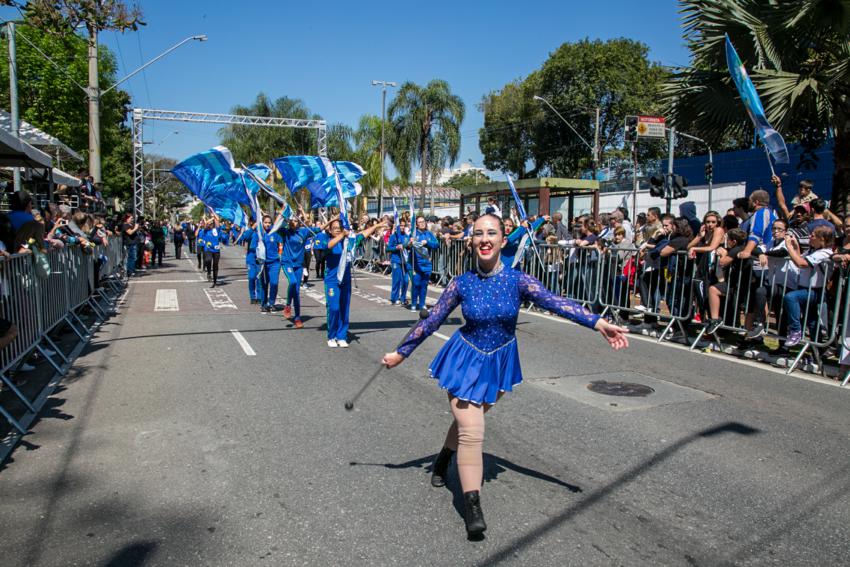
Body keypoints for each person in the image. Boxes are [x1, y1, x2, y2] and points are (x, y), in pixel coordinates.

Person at [381, 214, 628, 537]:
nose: (484, 239)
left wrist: (598, 323)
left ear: (502, 239)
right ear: (471, 241)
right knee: (473, 431)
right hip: (464, 361)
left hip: (498, 362)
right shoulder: (462, 283)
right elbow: (432, 321)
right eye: (478, 233)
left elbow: (556, 302)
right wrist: (402, 352)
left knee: (467, 423)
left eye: (491, 233)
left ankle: (443, 458)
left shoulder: (518, 280)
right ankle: (472, 505)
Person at [315, 217, 387, 347]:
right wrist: (342, 234)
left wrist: (377, 226)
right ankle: (332, 335)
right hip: (332, 280)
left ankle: (341, 336)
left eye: (339, 228)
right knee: (334, 308)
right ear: (330, 231)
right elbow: (328, 246)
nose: (337, 230)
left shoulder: (349, 241)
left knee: (344, 309)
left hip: (346, 280)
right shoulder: (328, 240)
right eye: (335, 229)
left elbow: (363, 234)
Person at [280, 209, 315, 329]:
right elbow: (278, 224)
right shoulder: (285, 232)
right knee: (293, 282)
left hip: (298, 264)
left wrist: (331, 220)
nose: (292, 222)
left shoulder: (304, 232)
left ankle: (298, 318)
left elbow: (314, 228)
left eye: (295, 220)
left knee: (297, 292)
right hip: (287, 262)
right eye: (291, 220)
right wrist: (282, 213)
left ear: (299, 222)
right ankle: (288, 305)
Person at [407, 216, 440, 312]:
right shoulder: (413, 234)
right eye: (420, 222)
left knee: (424, 285)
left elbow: (436, 244)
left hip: (426, 264)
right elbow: (406, 245)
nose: (422, 223)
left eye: (423, 221)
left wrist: (427, 242)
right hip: (415, 263)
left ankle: (422, 304)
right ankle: (413, 303)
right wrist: (410, 242)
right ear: (416, 224)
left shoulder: (429, 234)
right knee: (416, 284)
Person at [254, 214, 283, 313]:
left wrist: (280, 254)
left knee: (274, 283)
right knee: (264, 284)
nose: (267, 224)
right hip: (263, 264)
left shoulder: (275, 233)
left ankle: (272, 303)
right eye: (265, 222)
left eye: (269, 223)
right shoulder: (259, 234)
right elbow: (254, 246)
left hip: (275, 263)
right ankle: (264, 304)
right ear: (262, 223)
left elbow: (281, 244)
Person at [388, 218, 410, 305]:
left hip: (405, 261)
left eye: (404, 226)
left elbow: (409, 247)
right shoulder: (394, 236)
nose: (402, 227)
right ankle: (394, 298)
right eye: (401, 225)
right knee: (396, 280)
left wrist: (409, 245)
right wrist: (396, 247)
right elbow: (389, 248)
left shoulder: (406, 236)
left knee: (405, 280)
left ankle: (403, 298)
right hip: (396, 261)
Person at [240, 221, 261, 304]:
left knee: (259, 278)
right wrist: (253, 228)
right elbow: (244, 237)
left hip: (260, 257)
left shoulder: (262, 231)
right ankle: (252, 296)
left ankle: (259, 297)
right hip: (251, 257)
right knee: (252, 277)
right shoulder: (250, 231)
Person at [203, 218, 223, 287]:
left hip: (216, 250)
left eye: (212, 223)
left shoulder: (216, 230)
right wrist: (209, 220)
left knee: (215, 265)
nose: (211, 225)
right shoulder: (206, 230)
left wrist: (214, 217)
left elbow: (218, 222)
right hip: (209, 249)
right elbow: (205, 225)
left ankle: (214, 281)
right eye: (210, 224)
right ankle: (208, 272)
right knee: (208, 260)